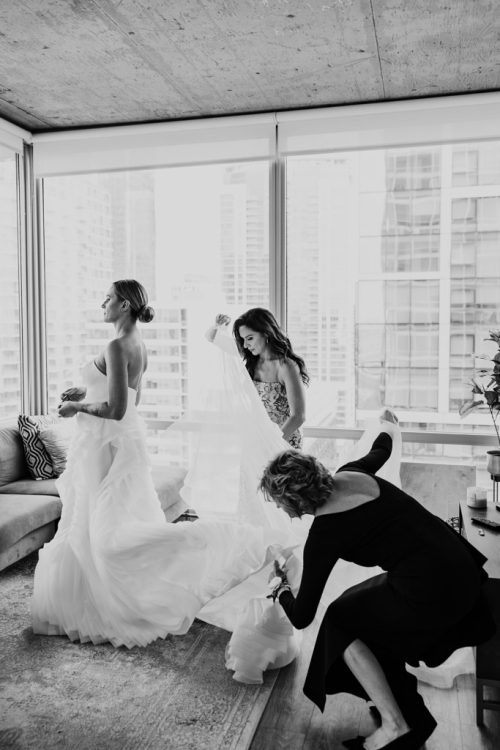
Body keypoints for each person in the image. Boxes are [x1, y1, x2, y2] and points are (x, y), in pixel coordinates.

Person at [31, 280, 298, 657]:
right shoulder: (138, 345)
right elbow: (131, 397)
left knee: (104, 534)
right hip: (119, 444)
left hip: (105, 445)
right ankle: (96, 594)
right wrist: (86, 395)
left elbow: (118, 409)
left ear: (124, 305)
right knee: (103, 527)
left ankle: (230, 542)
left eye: (107, 298)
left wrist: (76, 408)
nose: (102, 303)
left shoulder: (116, 344)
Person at [259, 417, 495, 750]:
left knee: (339, 621)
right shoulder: (353, 471)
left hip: (432, 589)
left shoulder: (325, 534)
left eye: (280, 503)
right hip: (459, 564)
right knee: (351, 609)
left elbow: (302, 616)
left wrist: (281, 590)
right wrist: (387, 422)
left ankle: (395, 724)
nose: (282, 511)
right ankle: (396, 703)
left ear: (294, 501)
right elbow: (382, 445)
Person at [207, 308, 307, 448]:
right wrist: (220, 325)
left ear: (266, 333)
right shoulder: (252, 358)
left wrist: (272, 443)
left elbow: (298, 416)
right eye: (243, 340)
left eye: (250, 338)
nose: (245, 345)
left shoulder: (286, 366)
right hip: (257, 440)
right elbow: (211, 337)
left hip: (283, 442)